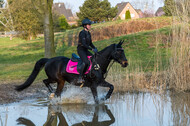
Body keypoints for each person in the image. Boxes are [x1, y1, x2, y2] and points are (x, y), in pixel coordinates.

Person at [77, 18, 98, 83]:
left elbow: (90, 43)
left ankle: (90, 75)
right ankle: (80, 77)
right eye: (89, 25)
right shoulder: (82, 33)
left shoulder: (88, 33)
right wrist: (91, 49)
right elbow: (83, 44)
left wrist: (95, 48)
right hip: (81, 50)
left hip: (86, 50)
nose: (90, 26)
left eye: (90, 25)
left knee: (94, 59)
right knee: (86, 62)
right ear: (85, 26)